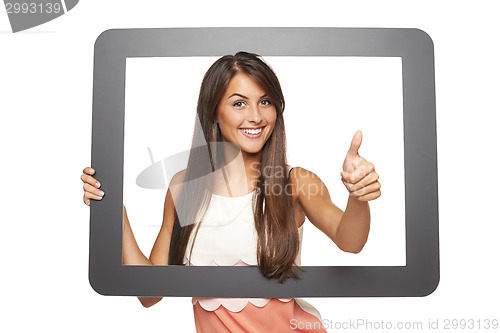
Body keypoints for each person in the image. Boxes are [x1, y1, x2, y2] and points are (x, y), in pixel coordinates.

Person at [81, 51, 381, 332]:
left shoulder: (296, 181)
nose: (256, 117)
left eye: (265, 102)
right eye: (239, 103)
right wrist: (113, 214)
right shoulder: (184, 188)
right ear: (213, 113)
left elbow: (350, 241)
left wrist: (358, 195)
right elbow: (150, 294)